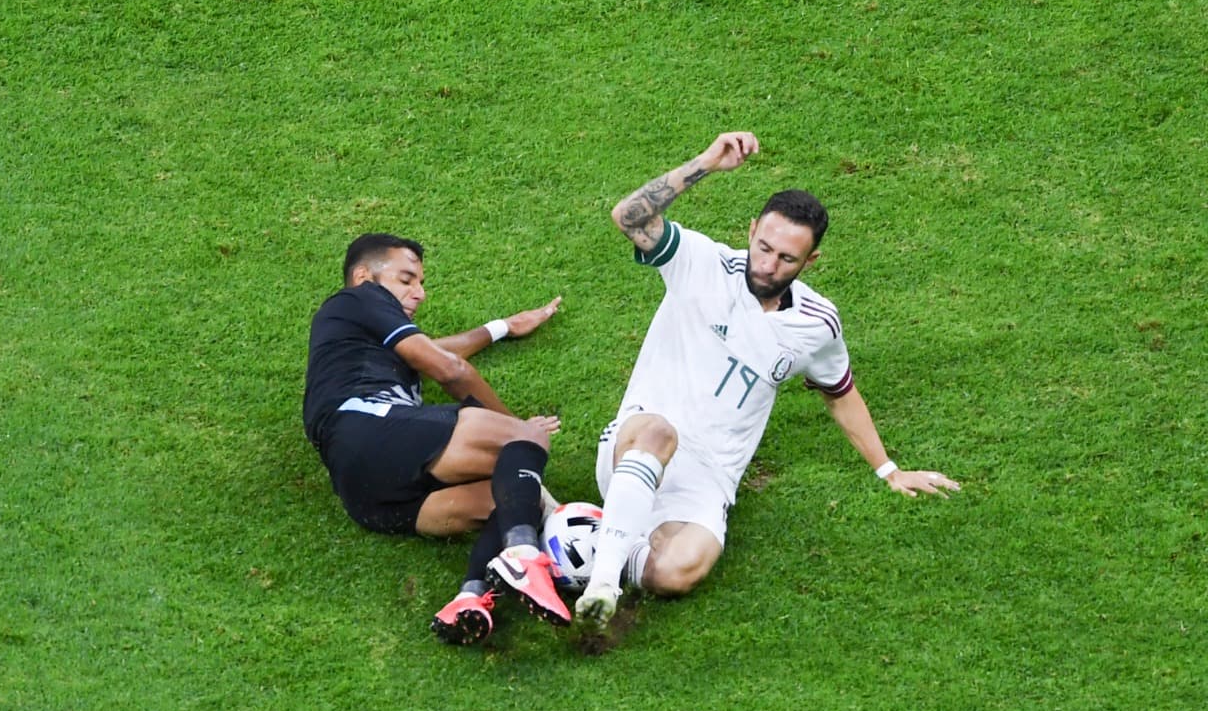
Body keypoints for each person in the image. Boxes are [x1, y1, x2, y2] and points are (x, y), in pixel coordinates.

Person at [575, 132, 961, 630]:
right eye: (764, 247)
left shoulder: (817, 324)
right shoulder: (701, 262)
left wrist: (889, 470)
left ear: (810, 262)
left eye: (786, 260)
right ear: (752, 229)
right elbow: (628, 216)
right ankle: (602, 580)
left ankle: (581, 538)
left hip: (708, 481)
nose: (768, 264)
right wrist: (705, 164)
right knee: (659, 433)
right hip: (637, 443)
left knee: (677, 573)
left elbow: (840, 393)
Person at [302, 233, 572, 645]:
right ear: (364, 276)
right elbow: (450, 369)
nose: (420, 293)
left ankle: (470, 597)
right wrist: (520, 436)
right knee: (523, 448)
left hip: (368, 496)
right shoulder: (359, 298)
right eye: (407, 279)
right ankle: (522, 555)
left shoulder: (363, 345)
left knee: (518, 498)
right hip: (369, 428)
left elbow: (442, 350)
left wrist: (504, 327)